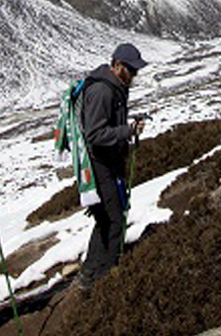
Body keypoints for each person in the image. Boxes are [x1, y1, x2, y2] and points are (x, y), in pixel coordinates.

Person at [78, 43, 148, 288]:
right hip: (100, 164)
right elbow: (95, 134)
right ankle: (106, 277)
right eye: (132, 70)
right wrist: (126, 130)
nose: (135, 75)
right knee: (114, 219)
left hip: (107, 161)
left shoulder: (114, 87)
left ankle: (91, 273)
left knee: (106, 218)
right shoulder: (103, 91)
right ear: (118, 66)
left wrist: (125, 130)